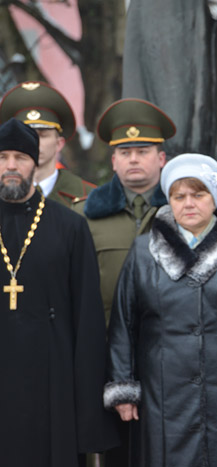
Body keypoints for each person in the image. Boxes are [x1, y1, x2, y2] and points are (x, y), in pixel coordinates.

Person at [104, 153, 217, 466]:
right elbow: (124, 323)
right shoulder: (143, 252)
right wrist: (123, 385)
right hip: (162, 392)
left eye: (198, 194)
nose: (188, 203)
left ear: (215, 198)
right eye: (179, 196)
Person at [0, 118, 118, 466]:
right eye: (2, 156)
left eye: (19, 158)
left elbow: (88, 318)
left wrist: (88, 411)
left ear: (35, 162)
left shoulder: (70, 226)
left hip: (53, 379)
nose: (10, 166)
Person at [73, 97, 175, 466]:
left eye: (143, 150)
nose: (134, 159)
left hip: (170, 358)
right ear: (113, 160)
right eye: (125, 151)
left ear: (161, 159)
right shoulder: (83, 219)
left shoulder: (184, 213)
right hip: (104, 358)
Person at [0, 81, 96, 205]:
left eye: (42, 135)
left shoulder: (89, 196)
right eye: (26, 135)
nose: (33, 142)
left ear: (59, 144)